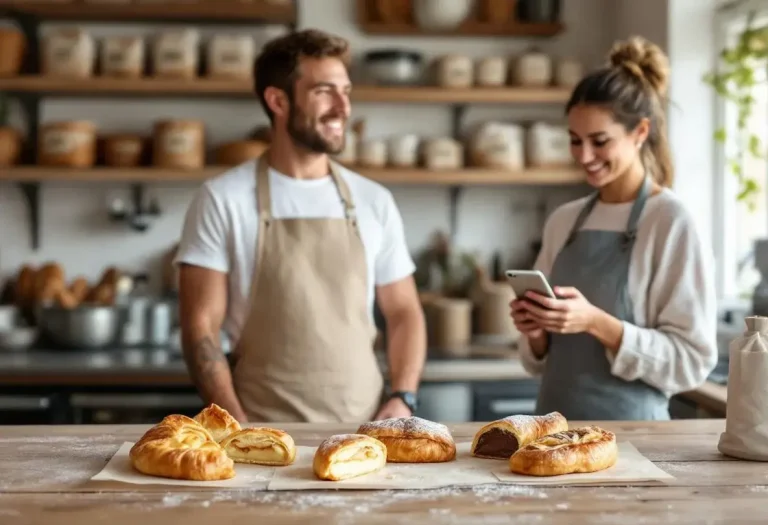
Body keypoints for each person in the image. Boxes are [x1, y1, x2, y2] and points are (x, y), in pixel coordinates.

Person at [174, 29, 426, 423]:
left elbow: (404, 311)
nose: (343, 107)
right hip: (261, 431)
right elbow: (200, 329)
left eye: (346, 91)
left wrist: (403, 397)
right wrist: (238, 427)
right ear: (278, 101)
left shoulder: (373, 200)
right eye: (325, 92)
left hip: (364, 432)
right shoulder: (222, 198)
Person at [510, 36, 718, 420]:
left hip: (634, 439)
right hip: (553, 434)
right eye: (575, 141)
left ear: (640, 133)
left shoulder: (670, 222)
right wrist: (536, 332)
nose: (584, 156)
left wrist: (597, 323)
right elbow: (536, 362)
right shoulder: (564, 220)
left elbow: (692, 362)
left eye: (599, 141)